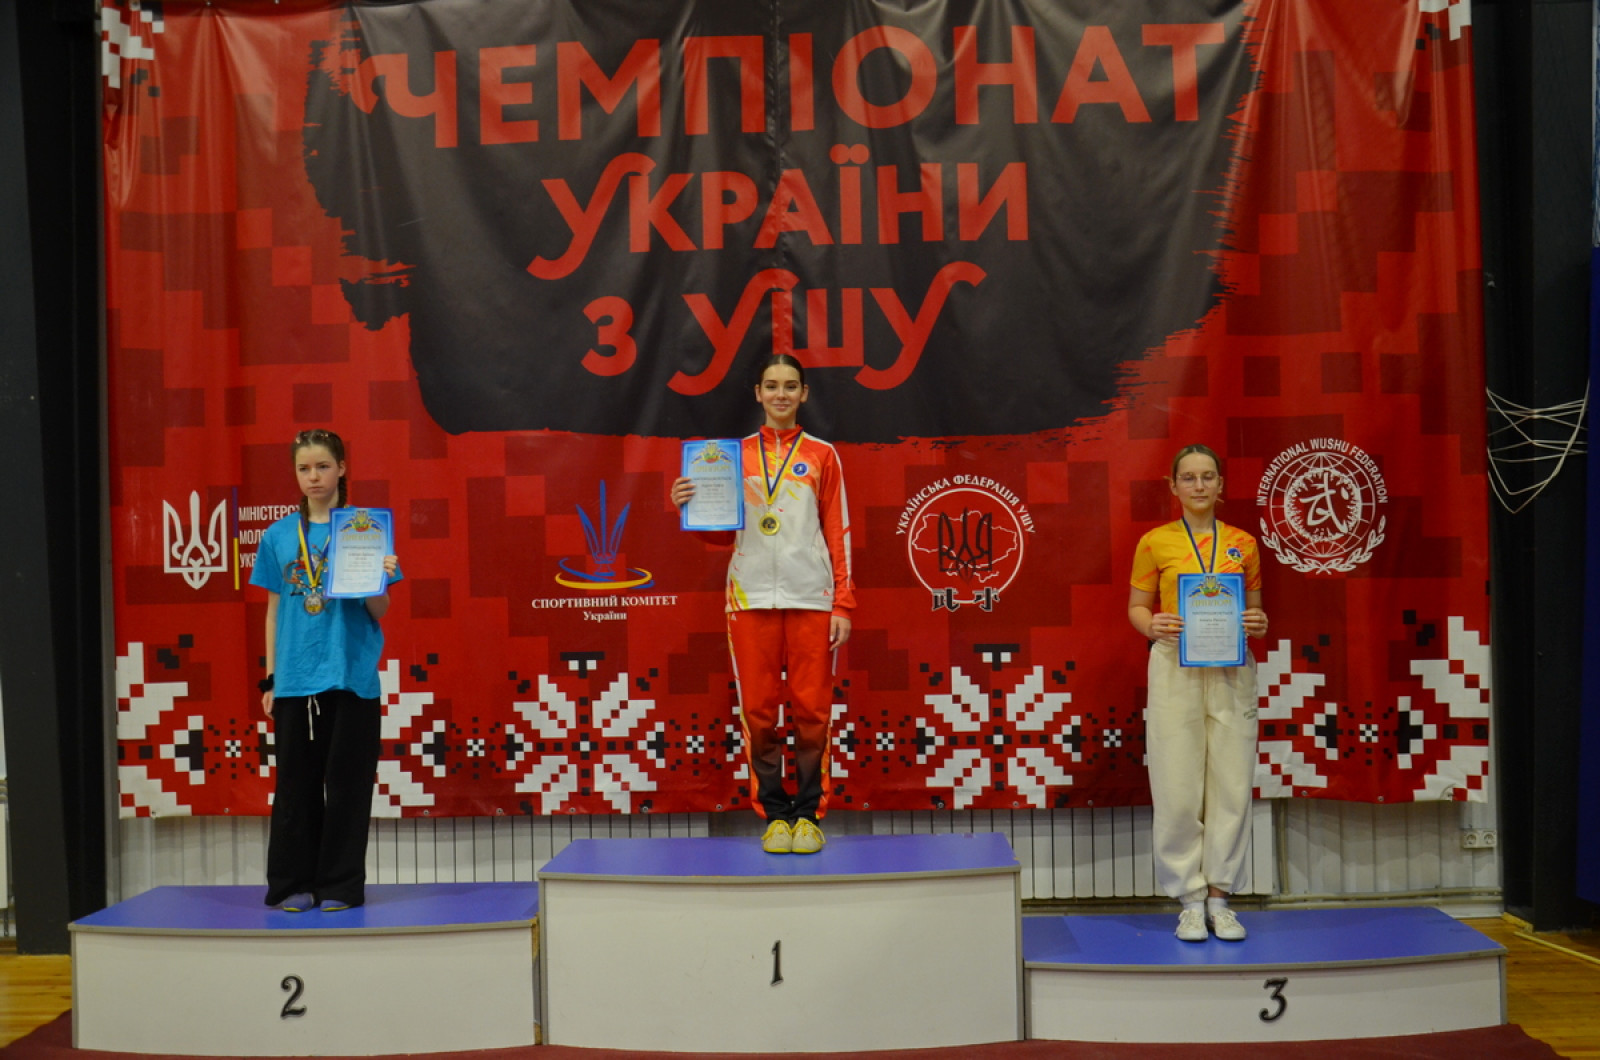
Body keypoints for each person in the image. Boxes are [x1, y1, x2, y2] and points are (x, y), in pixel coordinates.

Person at [671, 354, 855, 855]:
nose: (781, 394)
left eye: (790, 386)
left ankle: (809, 816)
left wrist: (843, 603)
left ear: (804, 394)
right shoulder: (732, 457)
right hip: (749, 597)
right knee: (757, 712)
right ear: (757, 393)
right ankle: (774, 816)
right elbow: (720, 534)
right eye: (771, 385)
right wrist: (689, 505)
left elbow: (837, 530)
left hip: (811, 597)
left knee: (812, 710)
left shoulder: (822, 455)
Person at [251, 429, 400, 911]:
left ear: (341, 469)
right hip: (295, 679)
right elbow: (273, 612)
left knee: (348, 788)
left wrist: (379, 576)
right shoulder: (277, 536)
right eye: (303, 468)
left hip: (351, 676)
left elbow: (380, 610)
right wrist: (271, 678)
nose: (313, 477)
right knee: (294, 788)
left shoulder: (365, 530)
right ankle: (292, 884)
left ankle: (340, 886)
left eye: (322, 466)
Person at [1127, 444, 1268, 942]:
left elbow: (1255, 610)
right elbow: (1137, 607)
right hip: (1174, 665)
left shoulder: (1243, 544)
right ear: (1174, 486)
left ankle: (1220, 899)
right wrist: (1152, 625)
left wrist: (1258, 621)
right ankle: (1189, 900)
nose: (1199, 485)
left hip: (1231, 666)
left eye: (1208, 476)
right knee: (1176, 784)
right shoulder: (1155, 542)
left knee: (1232, 783)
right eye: (1188, 477)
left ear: (1220, 485)